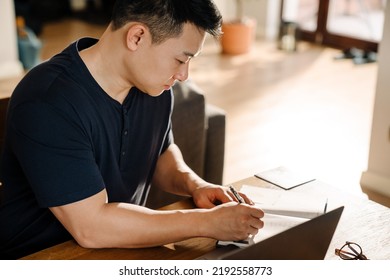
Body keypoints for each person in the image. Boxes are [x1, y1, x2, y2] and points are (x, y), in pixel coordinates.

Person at [0, 0, 264, 259]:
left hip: (123, 248)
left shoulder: (155, 87)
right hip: (43, 258)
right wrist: (206, 223)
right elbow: (91, 228)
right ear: (137, 37)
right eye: (180, 59)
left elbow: (159, 151)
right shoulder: (48, 100)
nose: (184, 75)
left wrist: (195, 185)